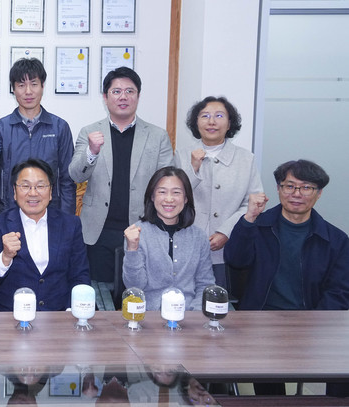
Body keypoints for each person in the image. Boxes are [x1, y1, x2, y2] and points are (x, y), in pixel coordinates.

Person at [224, 160, 349, 396]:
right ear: (279, 189)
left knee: (343, 358)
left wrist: (313, 325)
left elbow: (340, 292)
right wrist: (249, 218)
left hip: (313, 323)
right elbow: (235, 260)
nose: (297, 194)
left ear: (319, 193)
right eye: (289, 186)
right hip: (261, 322)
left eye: (306, 187)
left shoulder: (336, 240)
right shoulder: (258, 226)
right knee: (270, 385)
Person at [70, 67, 173, 283]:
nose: (123, 97)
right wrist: (91, 152)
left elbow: (167, 184)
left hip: (143, 229)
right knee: (99, 293)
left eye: (129, 91)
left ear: (138, 96)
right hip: (98, 231)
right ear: (105, 97)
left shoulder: (157, 136)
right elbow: (76, 175)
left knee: (138, 292)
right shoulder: (89, 132)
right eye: (116, 91)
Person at [174, 96, 263, 289]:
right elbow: (173, 199)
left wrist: (226, 232)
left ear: (229, 123)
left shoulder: (246, 159)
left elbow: (252, 204)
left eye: (219, 116)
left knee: (219, 300)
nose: (212, 121)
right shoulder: (181, 155)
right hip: (187, 245)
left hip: (227, 250)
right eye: (205, 116)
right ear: (196, 122)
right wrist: (193, 168)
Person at [0, 159, 90, 311]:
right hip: (11, 315)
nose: (33, 193)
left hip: (59, 314)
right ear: (14, 192)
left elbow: (80, 276)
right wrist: (5, 257)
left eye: (40, 186)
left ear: (50, 192)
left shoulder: (70, 224)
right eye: (25, 186)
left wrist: (71, 311)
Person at [0, 58, 75, 214]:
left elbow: (67, 179)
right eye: (21, 85)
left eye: (34, 84)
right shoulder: (0, 128)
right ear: (13, 89)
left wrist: (66, 218)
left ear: (42, 86)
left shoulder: (60, 127)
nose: (28, 91)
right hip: (10, 212)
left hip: (50, 213)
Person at [122, 166, 215, 311]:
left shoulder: (199, 237)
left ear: (186, 198)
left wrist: (194, 316)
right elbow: (134, 288)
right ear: (152, 197)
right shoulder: (137, 233)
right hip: (148, 316)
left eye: (176, 192)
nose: (169, 199)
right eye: (162, 192)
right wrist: (132, 249)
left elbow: (205, 285)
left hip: (189, 316)